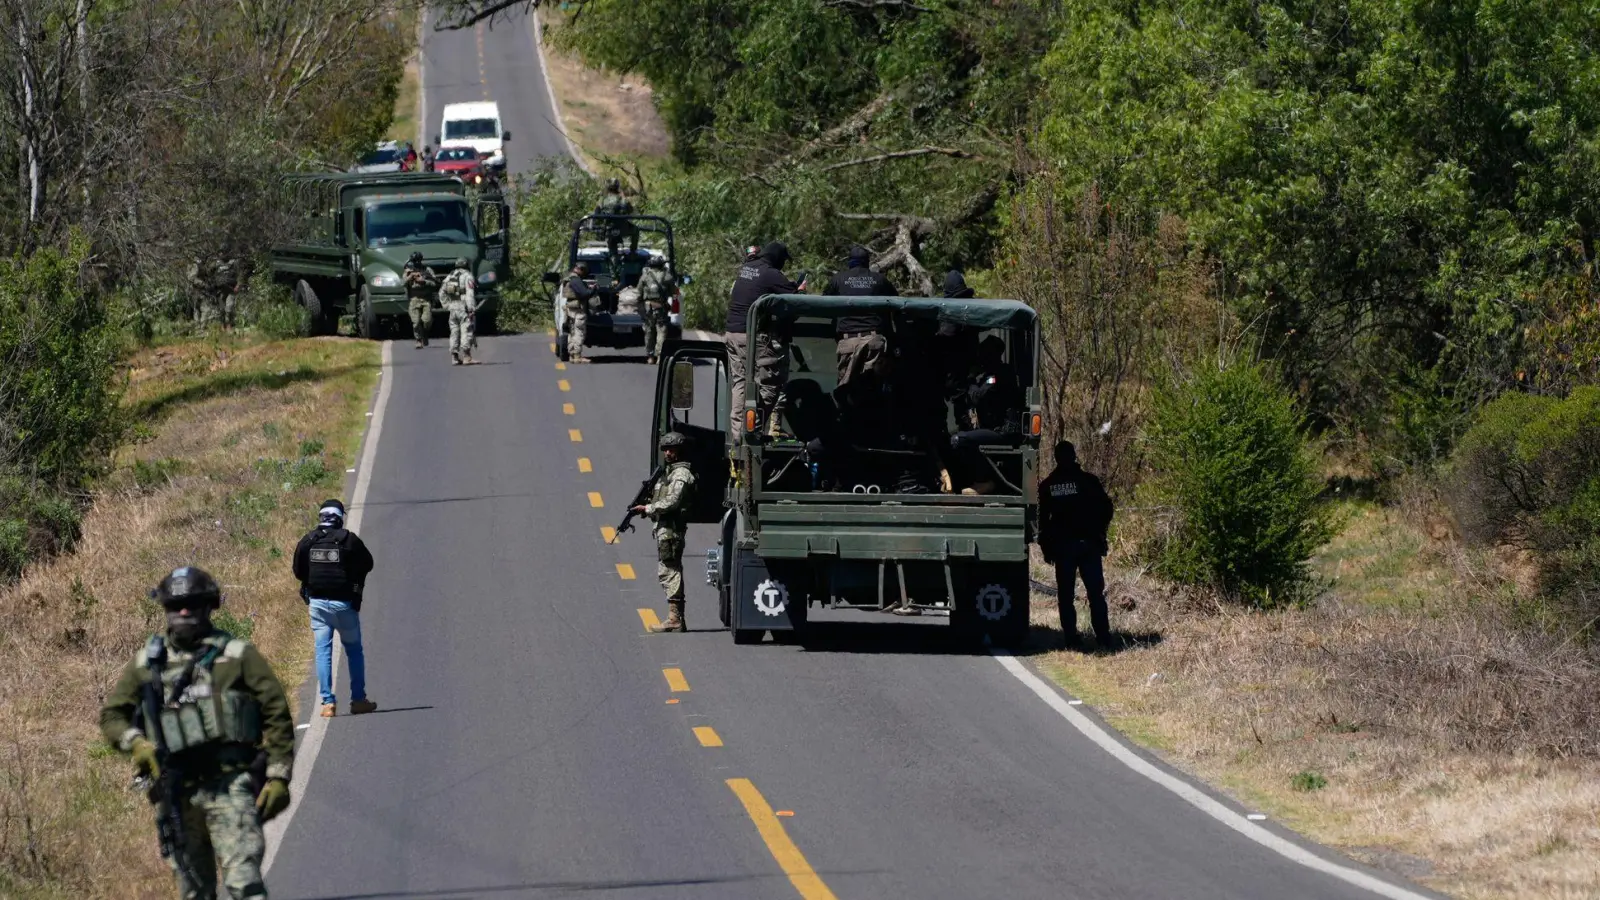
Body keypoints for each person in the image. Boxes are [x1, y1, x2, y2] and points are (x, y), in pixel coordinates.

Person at [99, 567, 294, 900]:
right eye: (176, 605)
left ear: (208, 606)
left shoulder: (237, 655)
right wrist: (137, 744)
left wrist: (278, 776)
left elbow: (276, 714)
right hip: (176, 792)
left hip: (230, 787)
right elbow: (112, 715)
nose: (184, 611)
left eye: (192, 603)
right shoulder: (147, 664)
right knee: (194, 891)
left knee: (244, 883)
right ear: (165, 609)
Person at [292, 499, 376, 717]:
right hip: (344, 605)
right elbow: (368, 563)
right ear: (339, 518)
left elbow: (298, 571)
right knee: (354, 650)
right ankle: (358, 700)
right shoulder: (349, 540)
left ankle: (327, 703)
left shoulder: (308, 540)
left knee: (323, 651)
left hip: (318, 605)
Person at [1037, 441, 1115, 648]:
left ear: (1056, 458)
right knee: (1095, 594)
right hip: (1088, 544)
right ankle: (1103, 637)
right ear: (1074, 456)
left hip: (1064, 547)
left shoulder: (1048, 485)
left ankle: (1071, 638)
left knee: (1065, 595)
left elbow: (1042, 521)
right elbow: (1106, 509)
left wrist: (1046, 547)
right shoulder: (1088, 481)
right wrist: (1100, 533)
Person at [726, 241, 803, 440]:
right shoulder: (770, 273)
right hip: (753, 336)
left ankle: (738, 435)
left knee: (740, 383)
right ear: (777, 258)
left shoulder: (747, 268)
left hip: (733, 333)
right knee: (771, 383)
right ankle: (752, 430)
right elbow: (793, 298)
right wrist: (800, 289)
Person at [630, 432, 696, 633]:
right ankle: (675, 618)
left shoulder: (681, 475)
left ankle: (674, 618)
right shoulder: (668, 473)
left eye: (671, 449)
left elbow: (673, 501)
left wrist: (649, 509)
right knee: (667, 569)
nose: (667, 453)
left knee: (670, 570)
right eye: (665, 449)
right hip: (664, 528)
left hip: (672, 529)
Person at [951, 335, 1023, 494]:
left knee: (960, 440)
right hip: (994, 429)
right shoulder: (989, 375)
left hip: (1003, 432)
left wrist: (970, 379)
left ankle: (985, 482)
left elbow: (978, 396)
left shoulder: (1000, 374)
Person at [824, 244, 898, 398]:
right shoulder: (880, 280)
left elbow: (823, 305)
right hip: (874, 341)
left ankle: (848, 418)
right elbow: (897, 304)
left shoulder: (838, 280)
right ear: (867, 262)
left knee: (846, 390)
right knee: (874, 391)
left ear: (850, 262)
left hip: (847, 341)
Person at [440, 257, 479, 366]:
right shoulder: (468, 276)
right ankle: (467, 357)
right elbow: (470, 294)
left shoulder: (450, 276)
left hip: (453, 307)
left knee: (454, 332)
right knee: (467, 330)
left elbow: (441, 293)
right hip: (463, 307)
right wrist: (471, 309)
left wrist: (447, 305)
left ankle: (454, 357)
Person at [637, 256, 675, 365]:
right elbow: (674, 293)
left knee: (648, 332)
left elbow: (638, 294)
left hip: (648, 308)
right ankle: (659, 356)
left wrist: (640, 308)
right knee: (661, 332)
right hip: (661, 308)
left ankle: (650, 356)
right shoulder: (667, 277)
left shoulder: (644, 277)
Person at [596, 178, 638, 263]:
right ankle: (632, 251)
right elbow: (630, 211)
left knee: (612, 243)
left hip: (608, 230)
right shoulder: (623, 199)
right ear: (618, 187)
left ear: (607, 188)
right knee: (635, 230)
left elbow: (597, 215)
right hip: (623, 229)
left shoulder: (602, 200)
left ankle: (613, 257)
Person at [403, 252, 438, 349]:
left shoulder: (428, 270)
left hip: (426, 299)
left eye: (418, 260)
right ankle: (418, 340)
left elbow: (435, 283)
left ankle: (425, 334)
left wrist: (424, 282)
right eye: (415, 261)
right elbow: (402, 284)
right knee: (416, 321)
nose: (416, 263)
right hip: (414, 299)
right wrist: (410, 277)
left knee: (426, 321)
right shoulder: (408, 272)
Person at [562, 262, 596, 363]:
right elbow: (584, 294)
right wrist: (593, 290)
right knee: (579, 333)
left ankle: (572, 355)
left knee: (572, 333)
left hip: (571, 311)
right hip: (578, 312)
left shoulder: (570, 279)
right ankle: (577, 356)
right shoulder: (576, 280)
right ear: (581, 270)